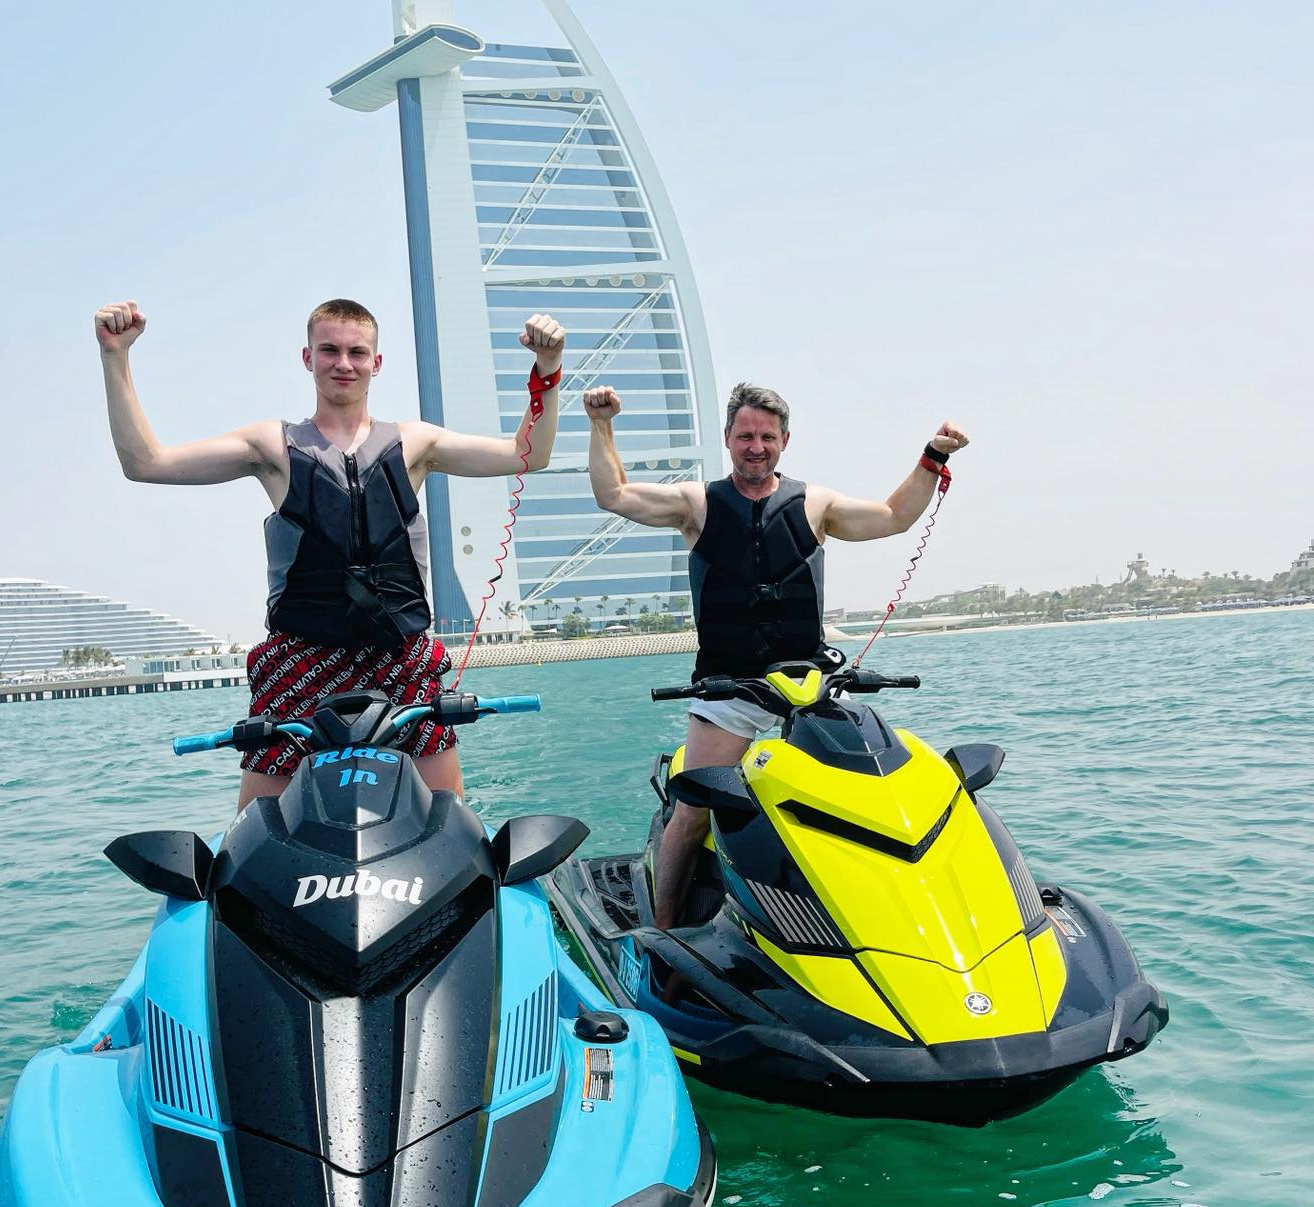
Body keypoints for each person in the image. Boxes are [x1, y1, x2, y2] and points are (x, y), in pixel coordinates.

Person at [95, 297, 565, 810]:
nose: (344, 363)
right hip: (300, 660)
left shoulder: (415, 443)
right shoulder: (272, 446)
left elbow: (528, 455)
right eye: (330, 350)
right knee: (257, 823)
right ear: (307, 358)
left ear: (377, 363)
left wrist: (547, 369)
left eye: (357, 352)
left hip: (400, 659)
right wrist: (115, 355)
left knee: (448, 813)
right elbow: (146, 462)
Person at [583, 381, 969, 930]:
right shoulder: (697, 504)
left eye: (767, 436)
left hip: (808, 686)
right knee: (694, 809)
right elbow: (613, 495)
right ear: (728, 439)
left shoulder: (817, 504)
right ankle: (664, 933)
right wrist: (602, 425)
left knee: (854, 802)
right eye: (745, 436)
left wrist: (933, 459)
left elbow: (893, 516)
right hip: (728, 689)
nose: (756, 446)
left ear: (785, 440)